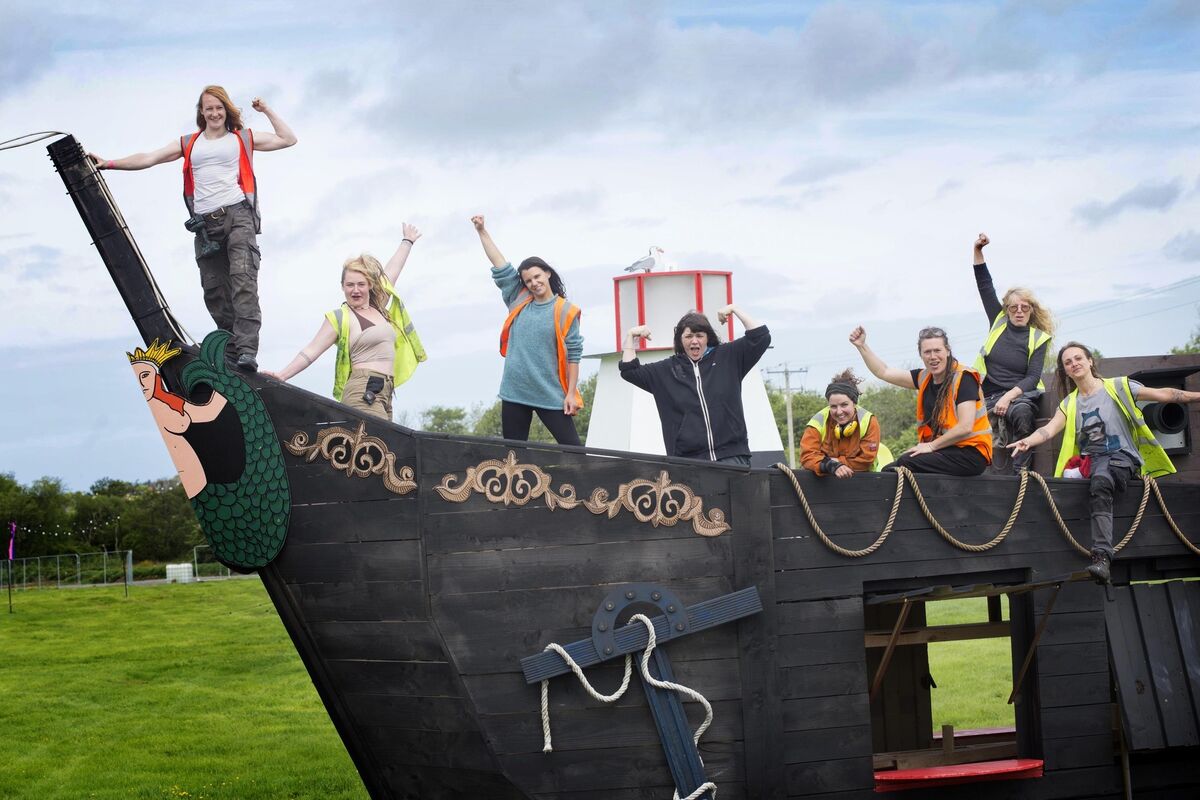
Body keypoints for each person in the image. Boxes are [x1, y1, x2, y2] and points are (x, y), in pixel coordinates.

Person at [89, 86, 298, 372]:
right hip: (204, 225)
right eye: (209, 108)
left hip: (238, 216)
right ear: (201, 111)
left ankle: (247, 351)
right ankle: (231, 349)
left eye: (219, 108)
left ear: (226, 110)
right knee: (214, 290)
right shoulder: (189, 143)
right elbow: (150, 157)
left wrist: (266, 111)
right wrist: (110, 163)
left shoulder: (242, 138)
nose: (214, 113)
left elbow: (288, 139)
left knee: (243, 281)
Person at [1008, 341, 1198, 584]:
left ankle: (1102, 558)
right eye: (1068, 362)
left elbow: (1166, 394)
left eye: (1078, 358)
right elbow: (1049, 429)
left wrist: (1197, 396)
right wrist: (1028, 441)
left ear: (1090, 361)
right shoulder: (1069, 403)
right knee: (1078, 484)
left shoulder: (1119, 386)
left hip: (1122, 458)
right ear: (1065, 371)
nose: (1074, 364)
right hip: (1092, 463)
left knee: (1101, 480)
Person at [263, 227, 426, 420]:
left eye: (361, 284)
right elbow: (311, 351)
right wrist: (282, 375)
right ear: (343, 287)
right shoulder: (340, 317)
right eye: (350, 285)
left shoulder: (378, 307)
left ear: (370, 285)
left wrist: (407, 241)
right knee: (376, 439)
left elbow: (392, 271)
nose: (355, 290)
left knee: (386, 440)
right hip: (363, 391)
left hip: (386, 392)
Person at [471, 215, 583, 445]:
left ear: (547, 273)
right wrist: (482, 230)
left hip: (549, 391)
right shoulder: (518, 297)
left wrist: (571, 393)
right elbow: (500, 264)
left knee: (574, 450)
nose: (534, 283)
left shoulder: (566, 310)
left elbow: (574, 354)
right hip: (515, 391)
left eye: (537, 276)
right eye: (528, 280)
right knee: (513, 456)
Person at [619, 307, 771, 466]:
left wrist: (734, 309)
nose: (694, 341)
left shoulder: (729, 356)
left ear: (708, 337)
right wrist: (630, 337)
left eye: (699, 335)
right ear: (680, 340)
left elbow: (761, 337)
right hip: (687, 462)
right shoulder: (666, 371)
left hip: (732, 456)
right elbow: (629, 371)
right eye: (688, 336)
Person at [850, 325, 992, 476]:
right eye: (927, 352)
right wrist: (862, 346)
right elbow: (884, 371)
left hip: (970, 453)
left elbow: (965, 427)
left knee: (907, 461)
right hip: (945, 450)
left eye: (937, 350)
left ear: (948, 351)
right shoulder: (923, 378)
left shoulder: (964, 377)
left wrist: (931, 446)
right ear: (921, 355)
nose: (933, 356)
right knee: (888, 471)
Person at [971, 233, 1055, 473]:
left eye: (1024, 307)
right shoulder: (997, 322)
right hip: (986, 395)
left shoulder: (1038, 338)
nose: (1019, 311)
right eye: (1014, 307)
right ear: (1006, 310)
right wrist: (978, 251)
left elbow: (1032, 377)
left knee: (1022, 413)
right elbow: (984, 285)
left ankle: (1022, 472)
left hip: (1019, 397)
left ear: (1031, 310)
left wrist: (1008, 397)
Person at [800, 369, 892, 477]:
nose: (839, 411)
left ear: (854, 403)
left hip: (863, 480)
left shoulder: (869, 421)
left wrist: (837, 462)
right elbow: (807, 456)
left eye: (844, 405)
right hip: (824, 482)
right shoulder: (817, 422)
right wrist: (831, 465)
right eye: (833, 406)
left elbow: (866, 460)